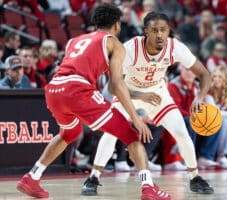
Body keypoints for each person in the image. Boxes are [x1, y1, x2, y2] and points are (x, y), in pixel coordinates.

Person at [16, 4, 171, 200]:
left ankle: (32, 177)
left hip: (54, 88)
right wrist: (135, 118)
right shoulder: (114, 43)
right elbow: (116, 85)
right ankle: (149, 187)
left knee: (70, 132)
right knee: (132, 135)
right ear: (116, 24)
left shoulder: (74, 40)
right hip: (77, 89)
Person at [81, 11, 214, 196]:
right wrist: (140, 96)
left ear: (168, 31)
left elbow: (205, 74)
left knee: (181, 132)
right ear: (146, 32)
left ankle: (195, 177)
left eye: (163, 30)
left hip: (157, 92)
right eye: (154, 30)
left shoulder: (175, 48)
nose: (159, 35)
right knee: (111, 133)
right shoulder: (130, 48)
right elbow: (112, 87)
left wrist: (199, 98)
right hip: (128, 92)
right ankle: (93, 177)